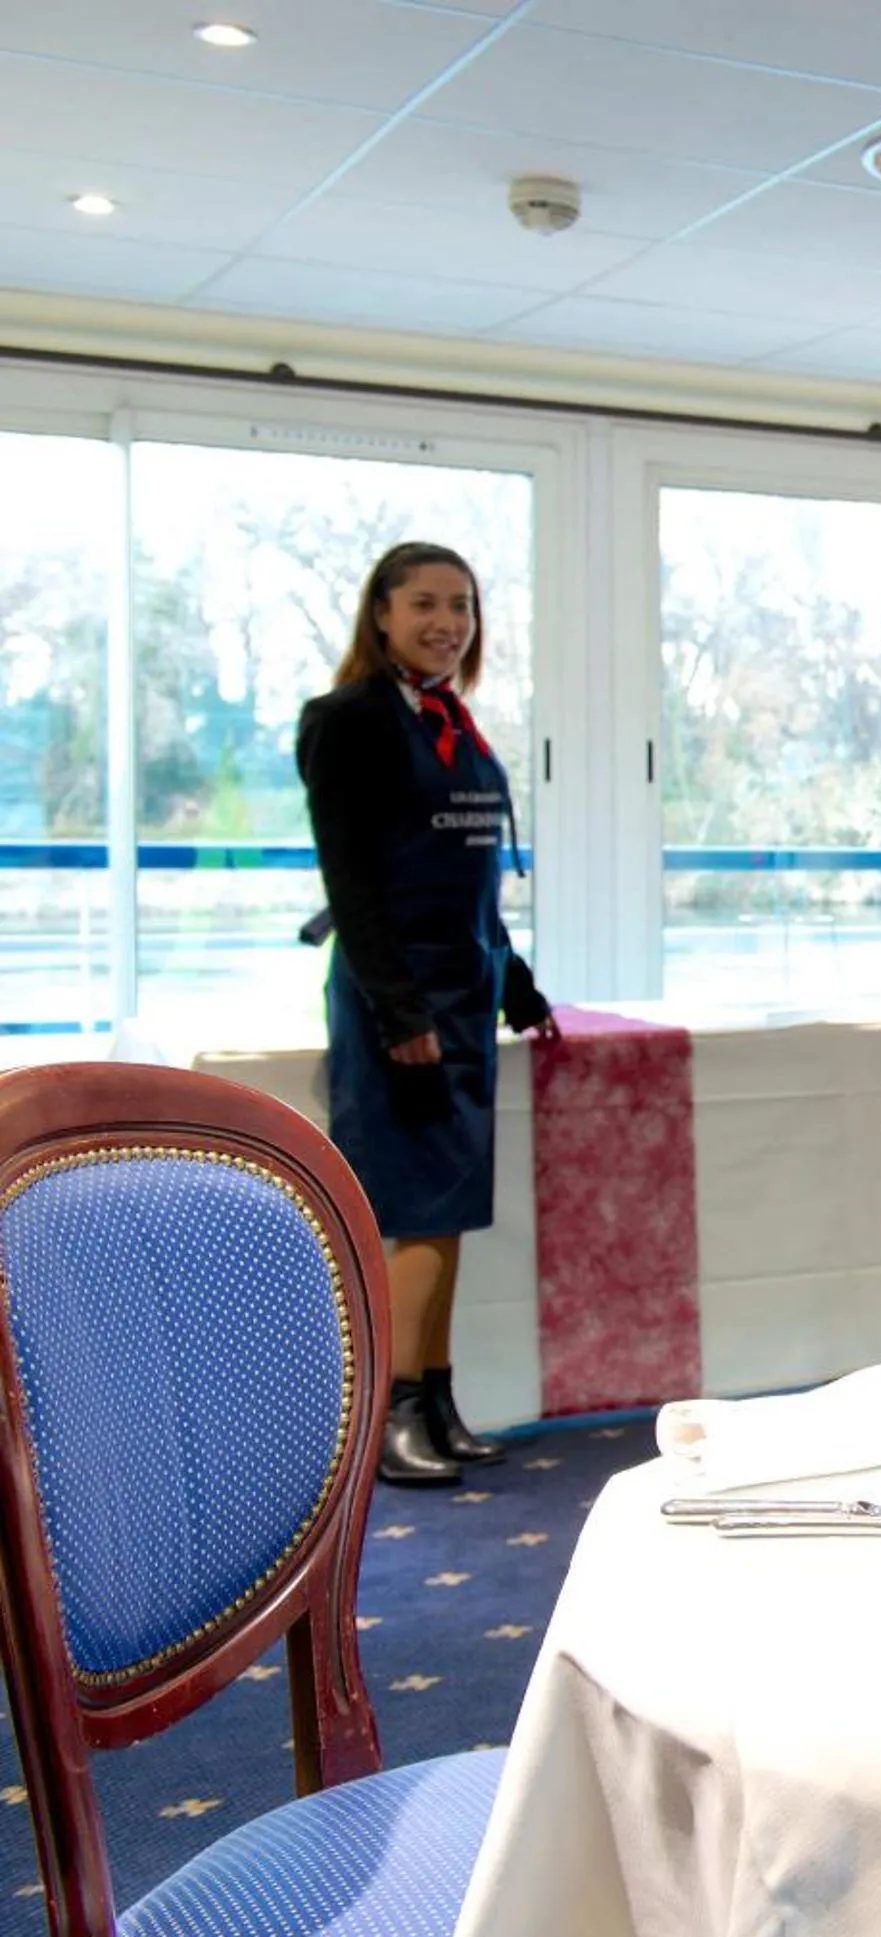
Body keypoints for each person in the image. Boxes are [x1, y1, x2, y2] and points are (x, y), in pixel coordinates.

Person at [300, 542, 557, 1489]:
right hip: (396, 1001)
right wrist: (399, 1009)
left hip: (465, 992)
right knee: (410, 1210)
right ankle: (393, 1413)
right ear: (381, 614)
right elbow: (353, 884)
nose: (447, 622)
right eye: (424, 604)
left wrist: (516, 983)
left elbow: (472, 885)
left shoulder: (453, 720)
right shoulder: (348, 721)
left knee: (447, 1216)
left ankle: (436, 1400)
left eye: (462, 606)